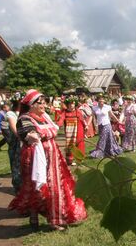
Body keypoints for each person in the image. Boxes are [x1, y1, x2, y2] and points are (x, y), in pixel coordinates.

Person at [8, 89, 87, 231]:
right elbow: (33, 136)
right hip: (35, 159)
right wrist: (46, 132)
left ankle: (54, 219)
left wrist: (45, 132)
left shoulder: (44, 117)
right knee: (35, 186)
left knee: (55, 187)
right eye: (40, 102)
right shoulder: (24, 119)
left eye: (44, 102)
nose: (44, 105)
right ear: (32, 104)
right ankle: (34, 216)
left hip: (52, 157)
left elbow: (54, 130)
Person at [56, 97, 87, 165]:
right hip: (69, 131)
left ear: (75, 104)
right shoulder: (65, 112)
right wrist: (57, 126)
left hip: (79, 129)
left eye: (73, 103)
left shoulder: (77, 111)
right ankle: (70, 160)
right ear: (68, 104)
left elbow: (82, 119)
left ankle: (80, 159)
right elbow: (61, 119)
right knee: (70, 144)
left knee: (80, 143)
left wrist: (86, 126)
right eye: (70, 104)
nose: (71, 105)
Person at [5, 99, 21, 192]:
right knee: (16, 163)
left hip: (27, 141)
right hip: (16, 142)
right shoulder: (11, 114)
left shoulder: (28, 112)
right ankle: (18, 186)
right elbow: (15, 130)